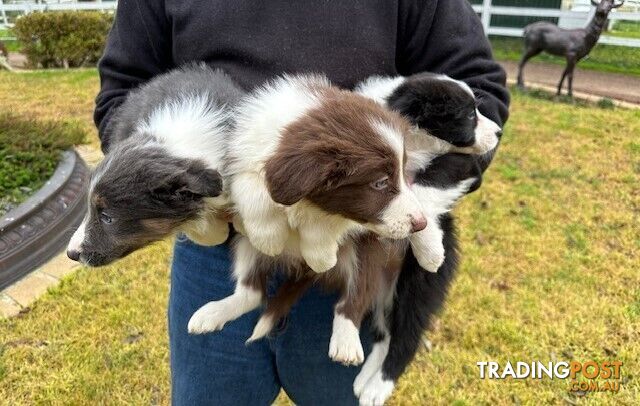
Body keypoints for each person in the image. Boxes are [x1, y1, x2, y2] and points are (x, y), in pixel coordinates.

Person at [95, 1, 509, 404]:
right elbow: (120, 98)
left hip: (352, 257)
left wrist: (407, 189)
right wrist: (200, 193)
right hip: (216, 256)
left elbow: (479, 92)